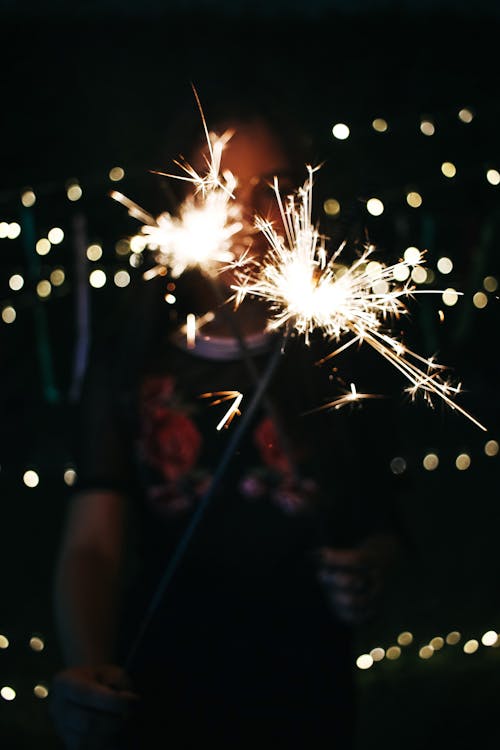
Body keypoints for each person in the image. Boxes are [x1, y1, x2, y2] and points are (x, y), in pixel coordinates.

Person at [49, 86, 410, 750]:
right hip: (159, 687)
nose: (245, 213)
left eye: (270, 188)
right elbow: (93, 542)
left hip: (307, 692)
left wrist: (371, 565)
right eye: (218, 186)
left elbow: (380, 516)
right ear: (182, 199)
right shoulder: (134, 353)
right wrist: (86, 666)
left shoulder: (336, 356)